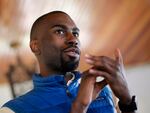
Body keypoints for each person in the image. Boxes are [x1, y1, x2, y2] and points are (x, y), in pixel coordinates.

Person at [0, 11, 137, 113]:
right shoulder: (13, 110)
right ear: (35, 46)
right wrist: (79, 108)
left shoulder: (104, 91)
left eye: (76, 33)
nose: (73, 39)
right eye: (59, 31)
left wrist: (127, 101)